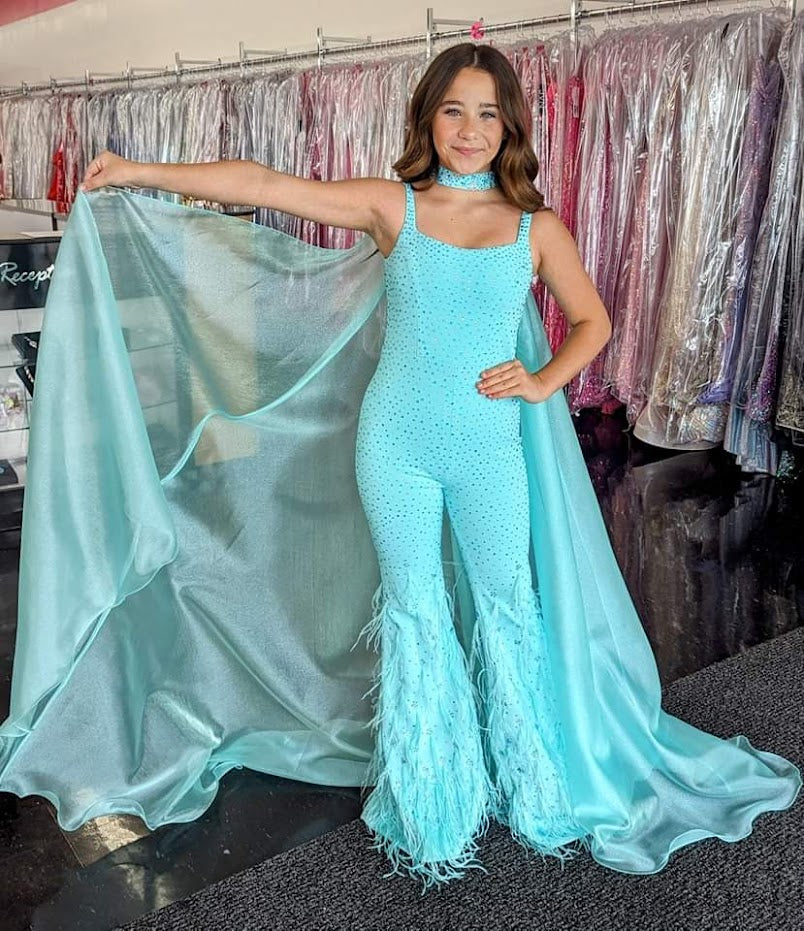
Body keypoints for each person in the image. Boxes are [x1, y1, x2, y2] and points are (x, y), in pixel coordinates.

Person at [60, 41, 802, 891]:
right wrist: (137, 171)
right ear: (428, 118)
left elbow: (593, 320)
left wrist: (543, 380)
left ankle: (532, 786)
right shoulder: (394, 207)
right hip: (395, 446)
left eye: (488, 113)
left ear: (510, 126)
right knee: (415, 613)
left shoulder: (534, 227)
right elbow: (265, 183)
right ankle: (432, 801)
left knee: (507, 607)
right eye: (454, 110)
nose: (470, 129)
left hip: (489, 449)